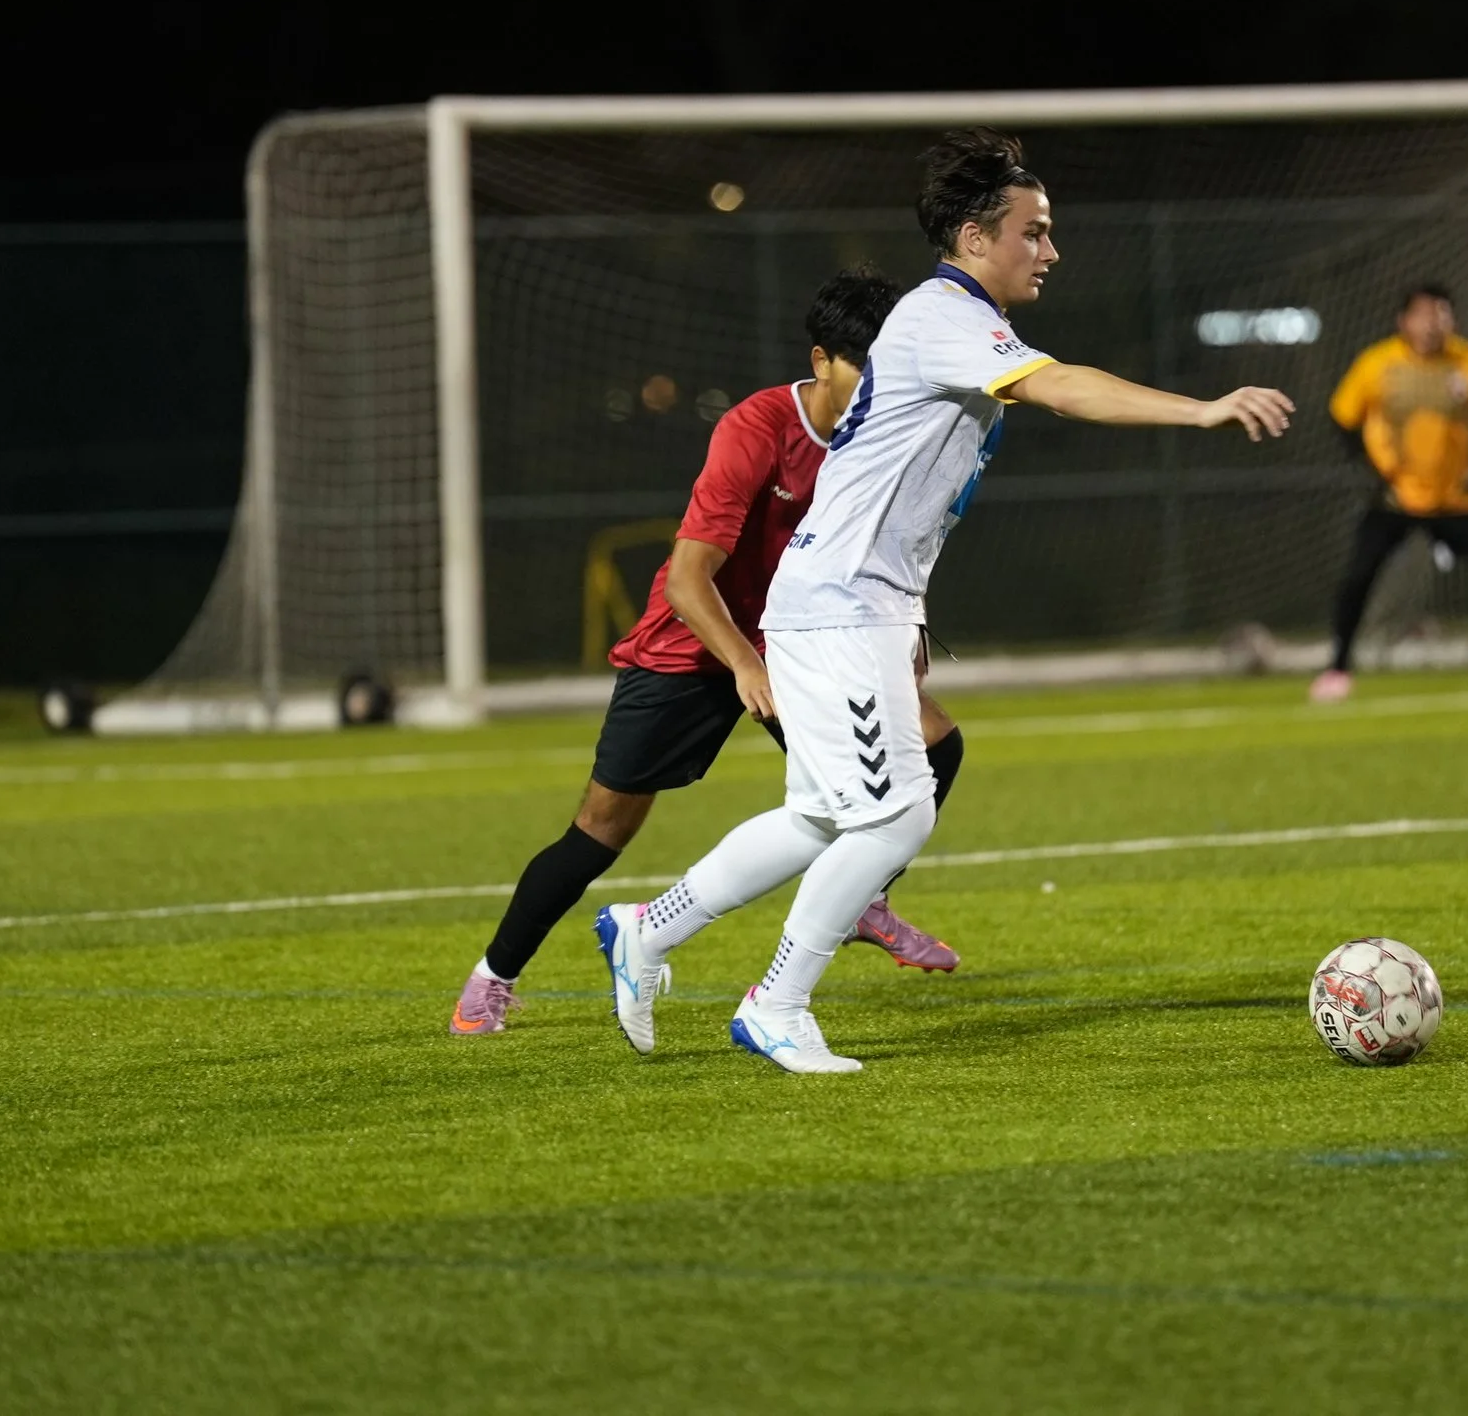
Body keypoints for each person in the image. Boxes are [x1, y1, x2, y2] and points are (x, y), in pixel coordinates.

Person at [595, 128, 1295, 1072]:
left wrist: (909, 617)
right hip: (838, 604)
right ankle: (777, 1004)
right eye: (1033, 232)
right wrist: (1200, 407)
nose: (1049, 250)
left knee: (820, 816)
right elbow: (1060, 387)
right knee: (898, 813)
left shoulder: (954, 322)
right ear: (973, 238)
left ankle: (648, 928)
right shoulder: (942, 316)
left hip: (849, 603)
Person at [448, 268, 964, 1037]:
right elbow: (689, 579)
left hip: (806, 641)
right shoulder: (757, 427)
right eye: (862, 363)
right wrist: (745, 666)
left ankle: (863, 901)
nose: (875, 382)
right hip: (690, 644)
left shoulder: (882, 432)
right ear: (822, 360)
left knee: (931, 747)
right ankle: (493, 977)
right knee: (601, 828)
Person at [1309, 284, 1468, 701]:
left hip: (1457, 500)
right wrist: (1372, 474)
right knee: (1357, 579)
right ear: (1404, 321)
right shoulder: (1378, 363)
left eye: (1441, 313)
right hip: (1395, 498)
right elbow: (1343, 417)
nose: (1432, 323)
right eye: (1423, 314)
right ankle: (1337, 670)